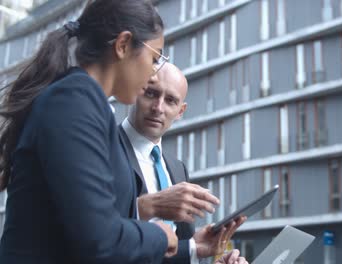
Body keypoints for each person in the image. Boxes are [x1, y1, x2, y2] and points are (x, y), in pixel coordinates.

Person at [0, 1, 178, 263]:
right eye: (154, 58)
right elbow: (100, 239)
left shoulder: (88, 105)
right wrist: (159, 236)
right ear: (123, 45)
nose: (153, 74)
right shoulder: (72, 103)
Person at [119, 62, 247, 263]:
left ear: (180, 111)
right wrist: (146, 207)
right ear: (135, 92)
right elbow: (88, 231)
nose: (158, 108)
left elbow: (173, 255)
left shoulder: (178, 169)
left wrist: (194, 249)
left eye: (170, 100)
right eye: (151, 93)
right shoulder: (103, 147)